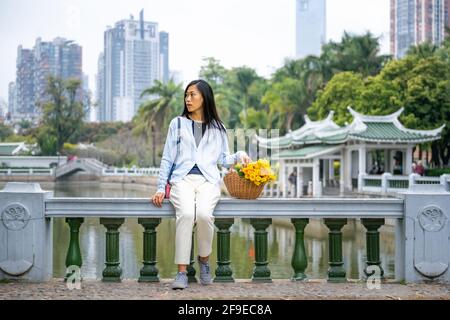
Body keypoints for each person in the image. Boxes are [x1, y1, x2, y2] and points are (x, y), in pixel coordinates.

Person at [150, 79, 251, 290]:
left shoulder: (218, 127)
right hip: (182, 180)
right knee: (186, 214)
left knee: (204, 215)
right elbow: (168, 158)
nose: (188, 99)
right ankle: (181, 273)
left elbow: (223, 159)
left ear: (204, 97)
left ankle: (204, 260)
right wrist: (161, 187)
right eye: (186, 95)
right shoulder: (177, 123)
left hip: (208, 181)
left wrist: (239, 154)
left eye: (193, 95)